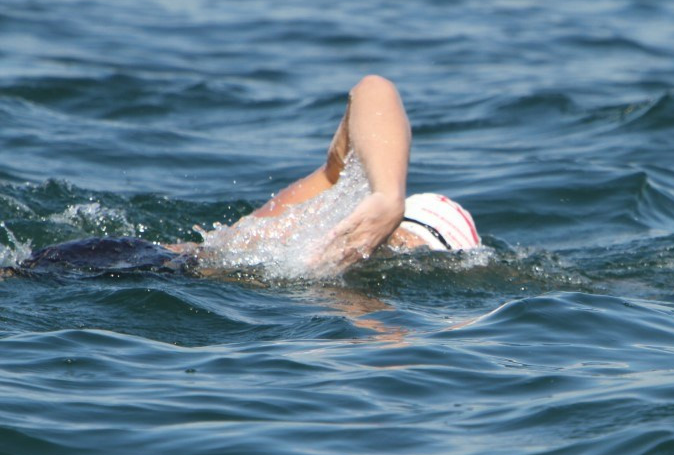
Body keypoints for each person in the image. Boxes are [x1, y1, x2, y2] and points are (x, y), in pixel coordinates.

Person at [5, 76, 480, 279]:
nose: (398, 245)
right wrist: (388, 198)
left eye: (422, 250)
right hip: (133, 262)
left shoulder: (362, 274)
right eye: (408, 236)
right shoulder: (334, 200)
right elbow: (374, 89)